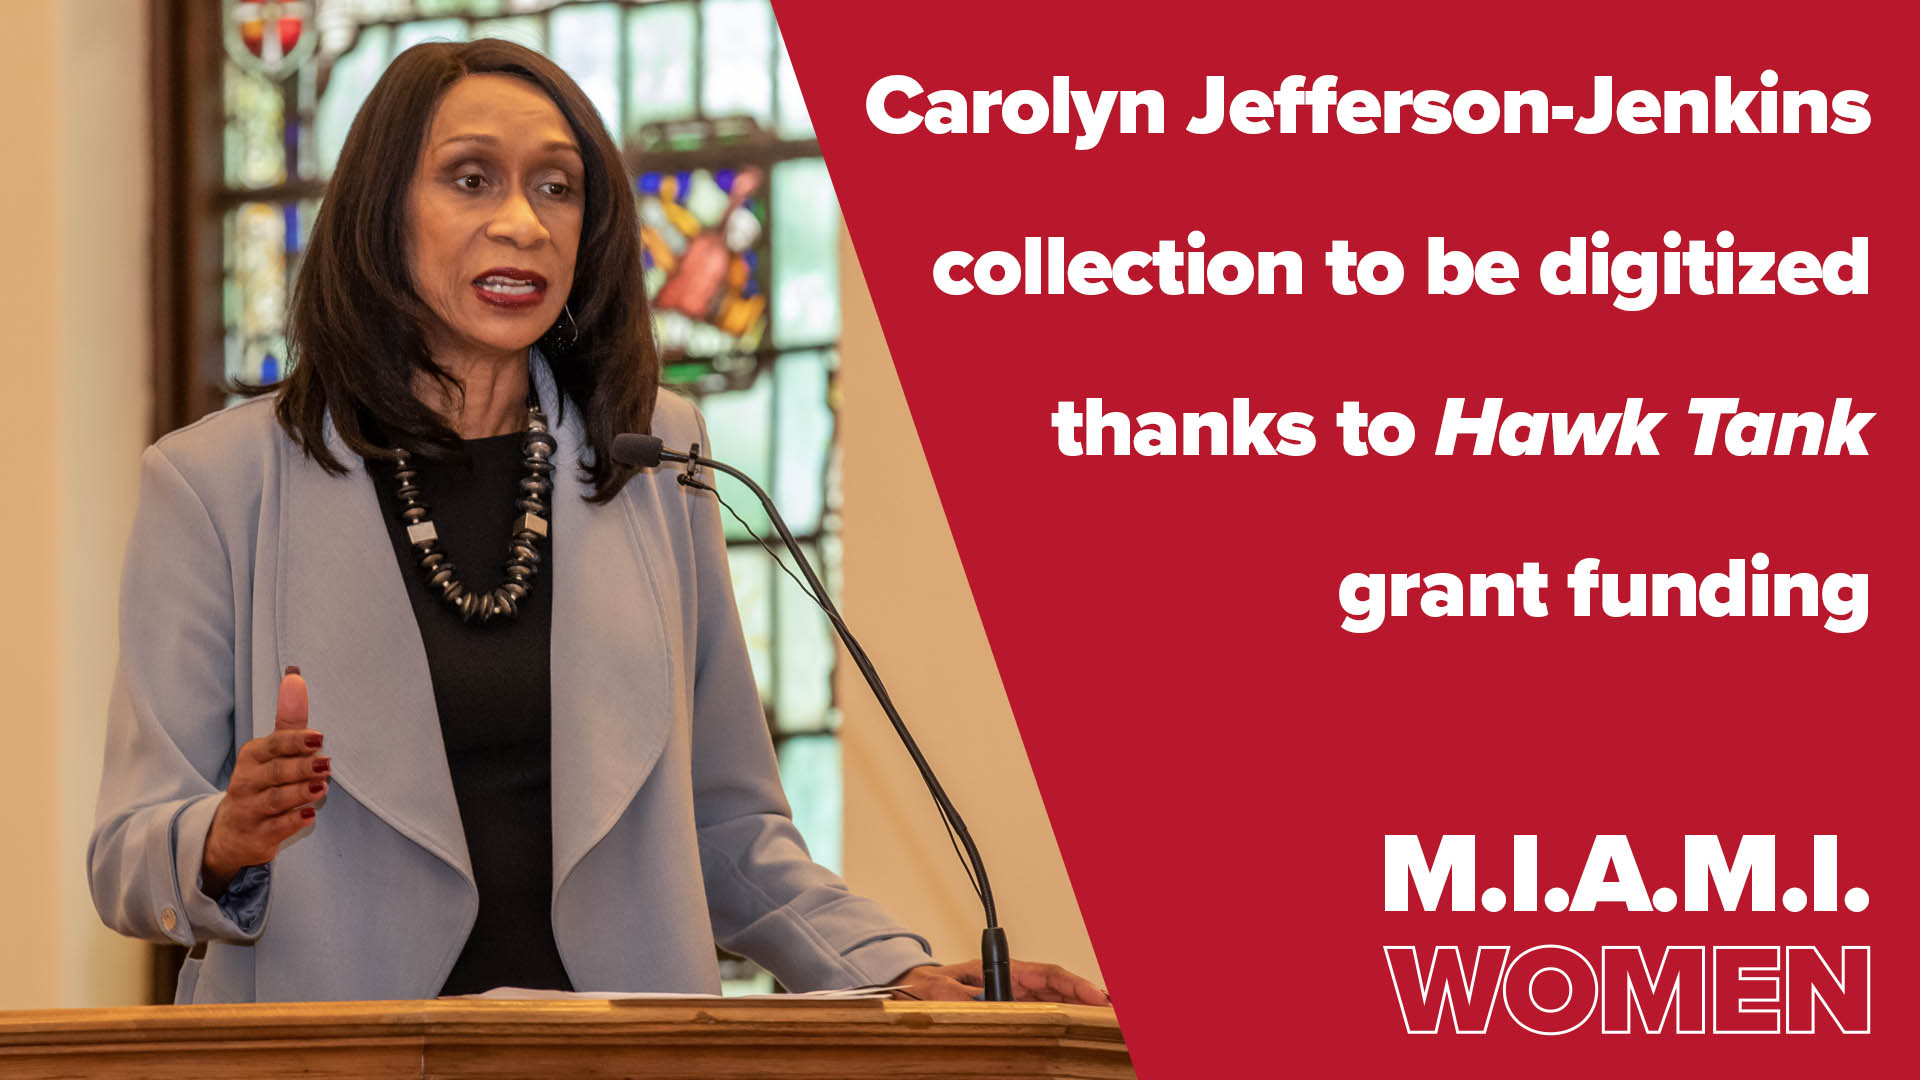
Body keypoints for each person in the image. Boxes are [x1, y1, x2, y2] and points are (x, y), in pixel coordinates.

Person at [88, 38, 1103, 1007]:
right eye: (472, 178)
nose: (524, 223)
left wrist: (889, 969)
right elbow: (130, 853)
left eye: (557, 187)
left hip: (621, 1053)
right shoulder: (217, 485)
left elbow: (730, 823)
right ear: (380, 213)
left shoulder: (653, 457)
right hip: (341, 1052)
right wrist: (223, 836)